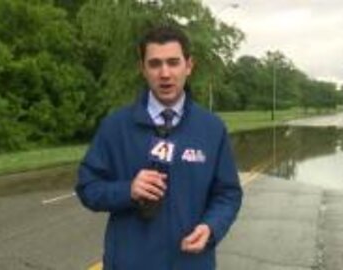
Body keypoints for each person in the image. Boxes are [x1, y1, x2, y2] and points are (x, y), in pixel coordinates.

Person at [75, 25, 242, 270]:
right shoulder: (115, 126)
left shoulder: (212, 128)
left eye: (173, 62)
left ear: (189, 65)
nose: (165, 73)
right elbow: (88, 187)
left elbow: (228, 194)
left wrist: (211, 227)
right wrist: (127, 190)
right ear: (142, 69)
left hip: (190, 263)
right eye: (155, 64)